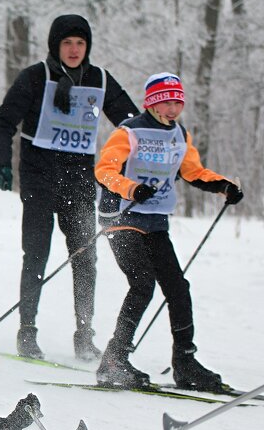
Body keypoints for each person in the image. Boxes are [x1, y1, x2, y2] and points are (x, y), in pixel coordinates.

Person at [0, 14, 138, 361]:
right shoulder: (35, 77)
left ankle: (84, 335)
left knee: (86, 259)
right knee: (36, 256)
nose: (74, 50)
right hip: (39, 179)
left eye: (80, 43)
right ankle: (28, 331)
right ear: (56, 45)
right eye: (67, 43)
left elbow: (132, 129)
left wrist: (129, 173)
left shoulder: (99, 80)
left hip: (80, 183)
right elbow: (3, 122)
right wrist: (1, 165)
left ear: (88, 47)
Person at [93, 73, 244, 390]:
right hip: (122, 215)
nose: (173, 108)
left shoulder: (179, 134)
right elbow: (104, 170)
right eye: (166, 101)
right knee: (143, 284)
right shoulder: (129, 132)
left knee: (178, 288)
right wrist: (131, 188)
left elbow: (193, 172)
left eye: (178, 102)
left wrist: (224, 186)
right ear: (151, 102)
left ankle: (185, 362)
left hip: (156, 220)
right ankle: (113, 361)